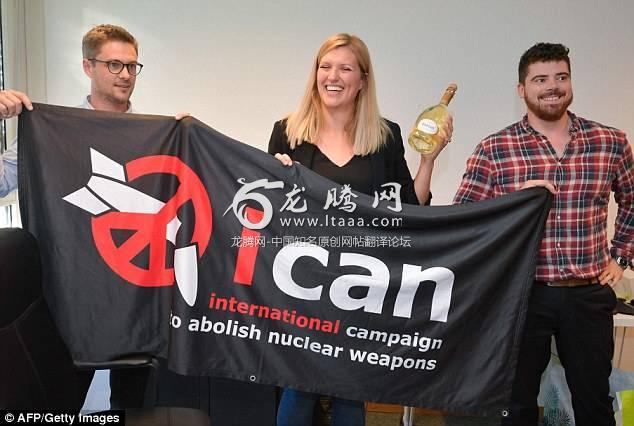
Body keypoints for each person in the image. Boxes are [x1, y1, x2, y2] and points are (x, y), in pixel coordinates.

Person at [269, 32, 452, 426]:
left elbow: (408, 209)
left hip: (360, 283)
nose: (332, 76)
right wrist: (275, 178)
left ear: (363, 79)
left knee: (351, 390)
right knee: (298, 387)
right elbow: (268, 207)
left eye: (345, 68)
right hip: (303, 281)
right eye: (325, 66)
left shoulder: (385, 135)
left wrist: (428, 161)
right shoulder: (287, 131)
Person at [454, 42, 633, 425]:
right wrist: (517, 200)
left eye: (561, 77)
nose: (552, 87)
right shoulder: (495, 148)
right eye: (540, 79)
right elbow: (466, 217)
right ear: (522, 89)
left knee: (593, 401)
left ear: (570, 82)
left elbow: (632, 201)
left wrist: (621, 257)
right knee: (516, 404)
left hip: (586, 295)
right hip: (521, 296)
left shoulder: (609, 142)